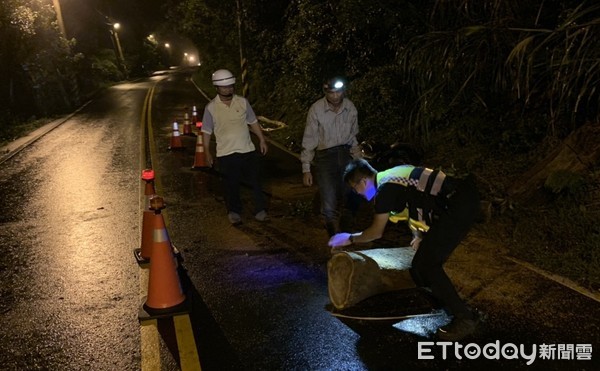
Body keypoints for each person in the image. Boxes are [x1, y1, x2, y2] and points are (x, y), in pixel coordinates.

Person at [328, 158, 480, 341]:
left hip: (458, 204)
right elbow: (415, 203)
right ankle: (445, 300)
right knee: (419, 266)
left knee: (427, 265)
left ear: (363, 181)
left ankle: (465, 318)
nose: (357, 193)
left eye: (355, 188)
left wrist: (349, 238)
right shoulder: (392, 176)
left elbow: (376, 232)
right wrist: (419, 235)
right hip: (459, 200)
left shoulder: (385, 189)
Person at [201, 69, 269, 225]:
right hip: (226, 153)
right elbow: (206, 131)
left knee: (256, 182)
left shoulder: (242, 102)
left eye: (230, 86)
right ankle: (234, 212)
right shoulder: (211, 108)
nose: (228, 89)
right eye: (224, 87)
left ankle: (260, 210)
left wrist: (262, 139)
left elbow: (253, 122)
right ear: (217, 88)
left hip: (247, 150)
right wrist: (206, 152)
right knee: (231, 185)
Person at [301, 77, 362, 237]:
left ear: (344, 91)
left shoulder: (350, 108)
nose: (335, 96)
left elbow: (353, 138)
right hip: (324, 158)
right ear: (325, 92)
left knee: (351, 196)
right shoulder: (316, 110)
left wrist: (359, 162)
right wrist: (306, 168)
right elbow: (309, 139)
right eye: (331, 93)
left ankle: (346, 232)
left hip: (345, 155)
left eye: (339, 92)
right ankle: (334, 238)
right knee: (328, 202)